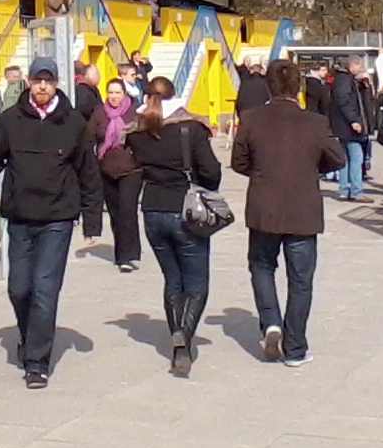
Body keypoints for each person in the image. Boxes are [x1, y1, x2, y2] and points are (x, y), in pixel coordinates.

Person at [0, 56, 102, 388]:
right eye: (37, 80)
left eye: (48, 81)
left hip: (57, 218)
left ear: (57, 84)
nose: (42, 87)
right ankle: (29, 336)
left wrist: (92, 221)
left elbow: (88, 173)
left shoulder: (73, 123)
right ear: (28, 82)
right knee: (19, 288)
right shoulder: (11, 120)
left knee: (45, 289)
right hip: (20, 216)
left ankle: (37, 362)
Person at [231, 59, 345, 368]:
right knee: (301, 280)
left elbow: (238, 162)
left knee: (262, 266)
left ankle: (270, 321)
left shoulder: (252, 119)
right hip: (302, 209)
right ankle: (295, 348)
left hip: (264, 208)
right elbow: (338, 158)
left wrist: (262, 171)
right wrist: (309, 168)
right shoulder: (315, 123)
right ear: (299, 88)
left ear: (269, 86)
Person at [125, 75, 221, 376]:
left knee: (172, 279)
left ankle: (179, 339)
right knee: (197, 283)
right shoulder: (189, 128)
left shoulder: (137, 130)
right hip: (186, 211)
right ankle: (184, 334)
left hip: (152, 210)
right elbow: (212, 171)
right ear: (175, 96)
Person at [88, 77, 142, 272]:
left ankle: (125, 256)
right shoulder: (99, 113)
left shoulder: (134, 112)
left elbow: (145, 136)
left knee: (127, 210)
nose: (113, 97)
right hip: (106, 169)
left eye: (117, 92)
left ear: (124, 94)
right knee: (115, 212)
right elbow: (89, 138)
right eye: (110, 92)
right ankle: (125, 250)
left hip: (132, 168)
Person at [326, 55, 375, 201]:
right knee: (356, 157)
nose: (361, 70)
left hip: (342, 125)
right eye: (360, 67)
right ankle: (355, 191)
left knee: (346, 158)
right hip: (347, 127)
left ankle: (344, 189)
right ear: (353, 65)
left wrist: (364, 86)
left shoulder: (342, 79)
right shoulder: (344, 80)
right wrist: (354, 120)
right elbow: (345, 102)